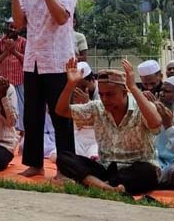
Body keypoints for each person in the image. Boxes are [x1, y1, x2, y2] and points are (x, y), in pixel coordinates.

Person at [6, 0, 77, 178]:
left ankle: (65, 169)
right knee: (32, 116)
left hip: (58, 61)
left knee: (61, 115)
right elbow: (18, 23)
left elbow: (60, 18)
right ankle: (35, 164)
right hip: (32, 60)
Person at [55, 59, 162, 194]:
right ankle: (108, 188)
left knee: (148, 172)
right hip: (105, 168)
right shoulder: (97, 107)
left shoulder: (140, 106)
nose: (104, 99)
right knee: (64, 158)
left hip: (134, 169)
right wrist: (70, 85)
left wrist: (134, 87)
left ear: (124, 92)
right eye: (101, 94)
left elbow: (156, 123)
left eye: (110, 95)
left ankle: (93, 184)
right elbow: (61, 111)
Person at [0, 18, 27, 132]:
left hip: (19, 81)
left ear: (19, 29)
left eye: (14, 27)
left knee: (20, 107)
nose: (12, 29)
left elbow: (27, 62)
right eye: (10, 26)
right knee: (4, 105)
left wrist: (14, 51)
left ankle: (20, 130)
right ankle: (7, 130)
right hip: (4, 82)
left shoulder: (23, 42)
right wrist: (7, 52)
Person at [70, 61, 99, 159]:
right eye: (76, 87)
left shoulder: (104, 92)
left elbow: (107, 116)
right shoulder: (73, 93)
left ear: (92, 80)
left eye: (83, 86)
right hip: (80, 136)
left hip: (99, 138)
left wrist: (88, 102)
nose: (80, 90)